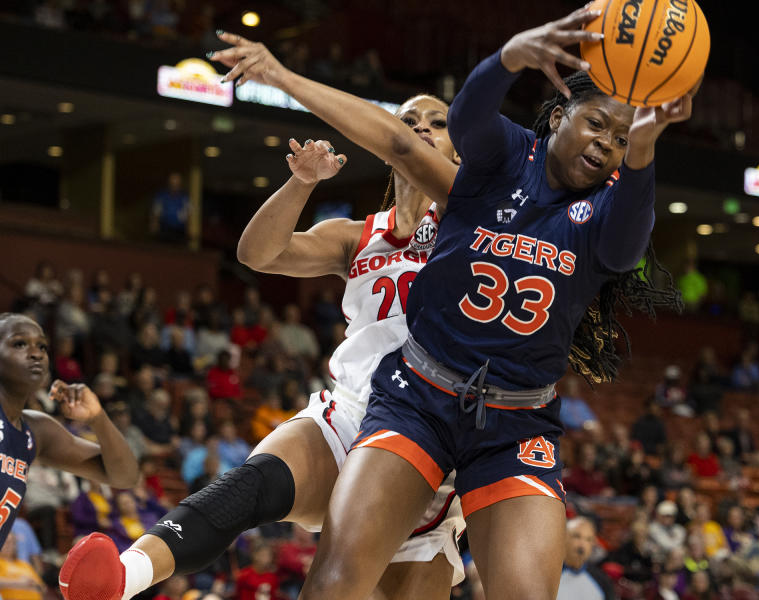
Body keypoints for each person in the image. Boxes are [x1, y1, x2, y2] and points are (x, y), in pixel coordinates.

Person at [227, 4, 691, 600]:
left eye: (621, 140)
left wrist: (646, 148)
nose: (607, 144)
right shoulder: (502, 159)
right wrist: (511, 57)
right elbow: (456, 118)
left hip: (514, 423)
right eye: (597, 124)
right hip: (419, 397)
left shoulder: (607, 212)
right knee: (337, 581)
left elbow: (631, 241)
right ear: (558, 117)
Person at [59, 49, 466, 600]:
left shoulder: (478, 225)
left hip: (433, 437)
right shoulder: (355, 235)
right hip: (352, 415)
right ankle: (123, 576)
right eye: (407, 122)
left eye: (437, 123)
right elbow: (258, 254)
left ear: (458, 148)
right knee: (250, 485)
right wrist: (301, 183)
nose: (421, 130)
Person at [0, 312, 139, 550]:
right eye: (19, 343)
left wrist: (98, 419)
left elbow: (124, 475)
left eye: (42, 346)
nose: (36, 353)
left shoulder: (37, 431)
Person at [557, 517, 615, 600]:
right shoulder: (549, 576)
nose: (582, 545)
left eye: (588, 539)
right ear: (564, 537)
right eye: (576, 536)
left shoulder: (602, 582)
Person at [150, 172, 191, 242]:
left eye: (177, 184)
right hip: (164, 230)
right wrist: (154, 224)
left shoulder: (185, 197)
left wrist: (189, 230)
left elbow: (188, 214)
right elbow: (156, 212)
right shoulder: (162, 196)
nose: (175, 186)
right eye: (173, 184)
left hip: (180, 231)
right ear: (169, 184)